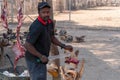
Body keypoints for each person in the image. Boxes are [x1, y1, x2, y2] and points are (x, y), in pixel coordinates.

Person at [24, 1, 73, 80]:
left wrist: (64, 46)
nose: (46, 14)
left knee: (42, 77)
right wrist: (40, 56)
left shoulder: (49, 22)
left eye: (47, 12)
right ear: (39, 13)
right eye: (43, 12)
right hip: (34, 60)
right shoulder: (36, 26)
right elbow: (27, 45)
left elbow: (52, 37)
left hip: (42, 59)